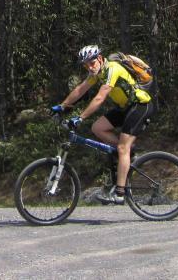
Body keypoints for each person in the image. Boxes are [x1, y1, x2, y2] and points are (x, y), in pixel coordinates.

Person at [51, 44, 157, 205]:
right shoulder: (97, 73)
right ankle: (128, 152)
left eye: (91, 63)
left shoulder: (112, 69)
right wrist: (62, 106)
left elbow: (100, 98)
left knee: (122, 148)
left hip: (141, 106)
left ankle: (120, 193)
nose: (89, 67)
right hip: (126, 108)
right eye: (86, 65)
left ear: (100, 59)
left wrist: (80, 117)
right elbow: (81, 89)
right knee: (98, 128)